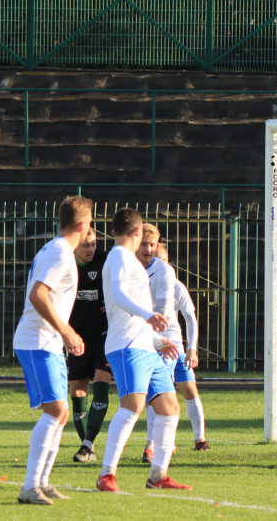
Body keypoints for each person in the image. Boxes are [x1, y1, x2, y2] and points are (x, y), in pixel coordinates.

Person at [95, 208, 189, 493]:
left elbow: (133, 305)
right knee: (133, 406)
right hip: (125, 346)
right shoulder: (119, 256)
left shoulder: (130, 260)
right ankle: (106, 475)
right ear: (138, 232)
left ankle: (158, 475)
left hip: (146, 346)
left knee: (170, 407)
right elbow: (120, 296)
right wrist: (147, 316)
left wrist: (156, 339)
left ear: (113, 230)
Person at [13, 195, 92, 505]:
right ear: (84, 225)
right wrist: (67, 331)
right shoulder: (60, 253)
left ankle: (42, 483)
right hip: (37, 341)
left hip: (48, 343)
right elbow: (38, 295)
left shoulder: (56, 250)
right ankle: (29, 486)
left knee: (59, 415)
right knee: (56, 411)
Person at [139, 238, 210, 463]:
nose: (162, 265)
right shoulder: (142, 284)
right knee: (161, 394)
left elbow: (190, 317)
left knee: (190, 390)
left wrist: (192, 349)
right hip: (158, 345)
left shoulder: (176, 285)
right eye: (158, 260)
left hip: (176, 345)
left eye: (165, 260)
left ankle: (200, 439)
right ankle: (152, 445)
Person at [66, 228, 112, 464]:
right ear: (75, 247)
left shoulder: (105, 260)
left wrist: (114, 300)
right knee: (77, 392)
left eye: (94, 244)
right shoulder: (66, 266)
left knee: (101, 382)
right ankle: (89, 447)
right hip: (76, 337)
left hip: (104, 336)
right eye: (86, 245)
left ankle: (86, 445)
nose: (91, 249)